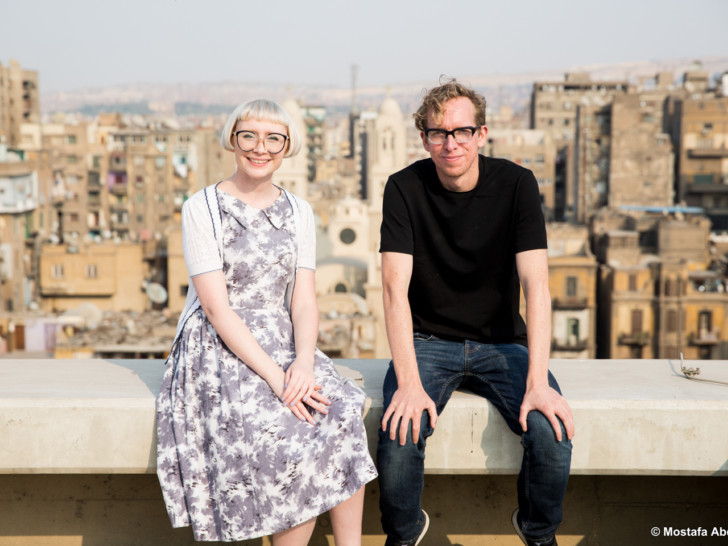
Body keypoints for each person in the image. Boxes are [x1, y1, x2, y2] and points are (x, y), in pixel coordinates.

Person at [156, 99, 377, 545]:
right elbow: (216, 309)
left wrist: (304, 365)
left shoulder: (299, 211)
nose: (261, 147)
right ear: (232, 141)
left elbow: (303, 298)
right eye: (249, 136)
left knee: (343, 412)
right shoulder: (202, 208)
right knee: (284, 437)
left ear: (287, 146)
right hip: (219, 344)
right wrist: (279, 379)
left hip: (284, 337)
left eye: (274, 138)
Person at [376, 79, 575, 546]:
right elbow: (392, 289)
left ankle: (537, 534)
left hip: (503, 341)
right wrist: (407, 382)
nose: (451, 143)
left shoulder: (517, 184)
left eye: (462, 131)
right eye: (439, 133)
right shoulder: (403, 188)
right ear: (424, 138)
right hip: (428, 343)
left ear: (481, 134)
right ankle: (403, 537)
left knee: (550, 432)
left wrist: (539, 381)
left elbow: (537, 285)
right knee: (399, 436)